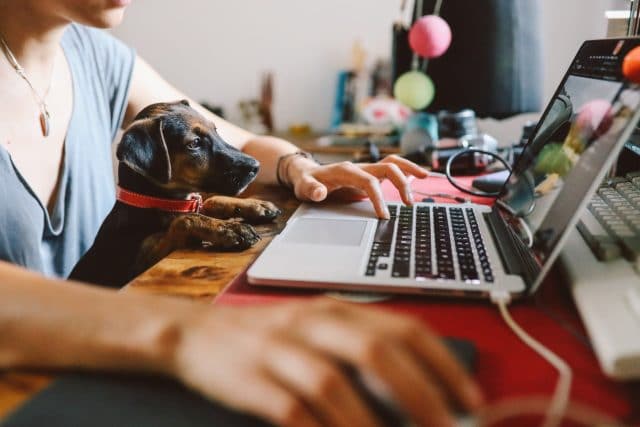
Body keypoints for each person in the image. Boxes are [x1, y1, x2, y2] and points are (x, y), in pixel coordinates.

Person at [0, 1, 483, 426]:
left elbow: (243, 144)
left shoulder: (96, 56)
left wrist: (301, 169)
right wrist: (184, 332)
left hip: (98, 360)